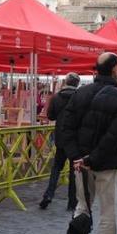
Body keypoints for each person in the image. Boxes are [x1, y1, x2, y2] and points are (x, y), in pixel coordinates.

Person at [58, 53, 117, 234]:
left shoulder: (81, 93)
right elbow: (113, 136)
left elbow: (65, 128)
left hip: (80, 162)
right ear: (115, 69)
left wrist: (76, 157)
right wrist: (91, 158)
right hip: (105, 163)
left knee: (82, 205)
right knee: (107, 212)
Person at [40, 73, 81, 211]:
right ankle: (72, 203)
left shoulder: (56, 97)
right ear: (77, 84)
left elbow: (50, 115)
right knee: (73, 171)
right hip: (75, 138)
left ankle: (49, 194)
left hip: (61, 136)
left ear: (66, 82)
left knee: (56, 167)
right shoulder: (79, 97)